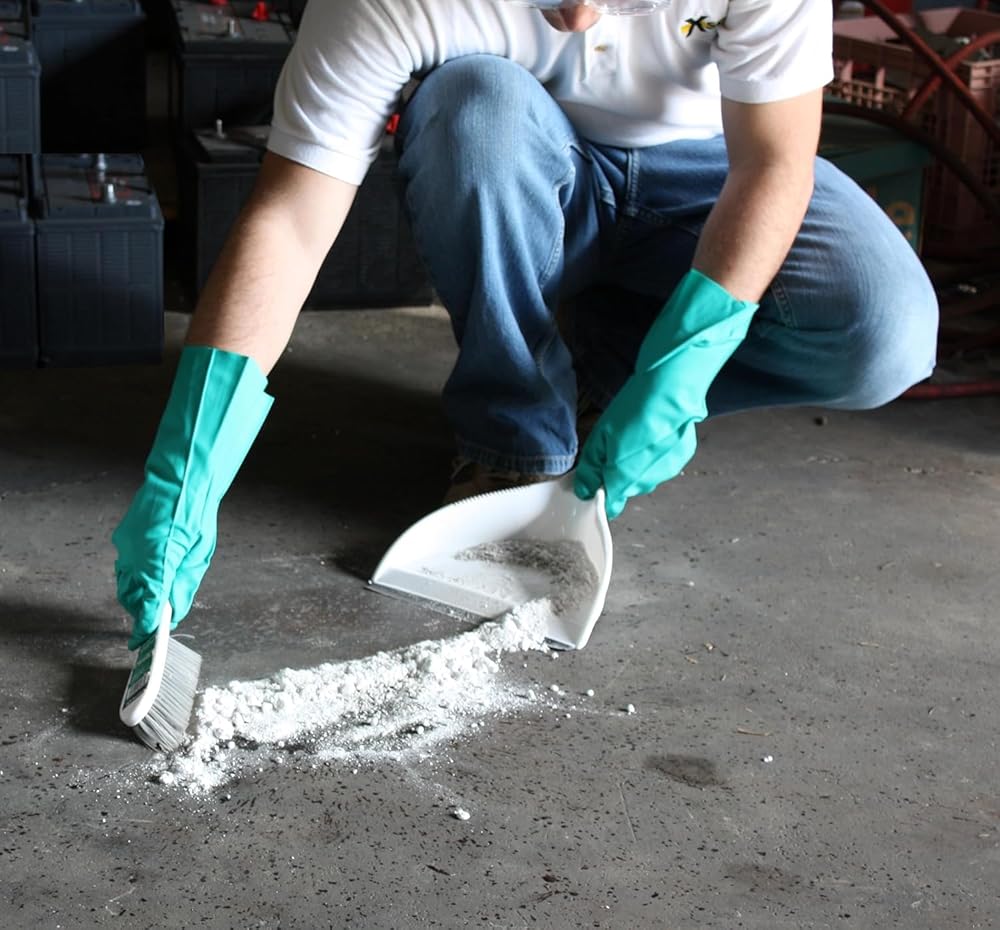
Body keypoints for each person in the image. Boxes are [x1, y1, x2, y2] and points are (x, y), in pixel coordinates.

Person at [112, 0, 939, 648]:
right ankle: (512, 447)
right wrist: (190, 468)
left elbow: (774, 163)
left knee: (886, 333)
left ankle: (608, 374)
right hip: (517, 158)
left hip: (711, 170)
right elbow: (292, 218)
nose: (576, 15)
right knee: (478, 111)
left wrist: (685, 365)